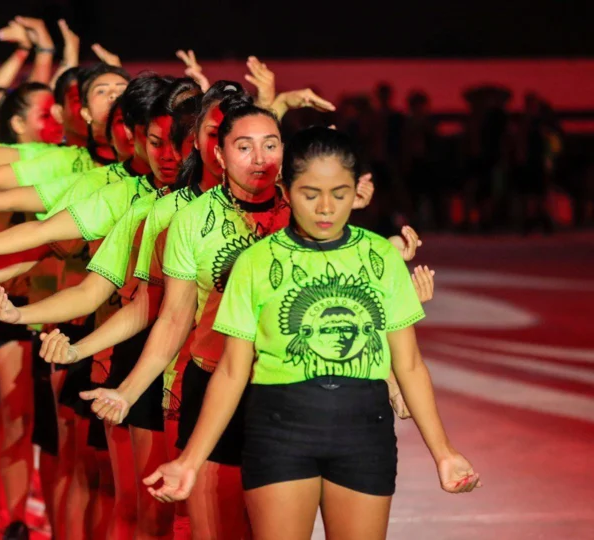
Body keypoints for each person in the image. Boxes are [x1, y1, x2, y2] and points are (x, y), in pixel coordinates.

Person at [146, 126, 478, 539]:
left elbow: (409, 365)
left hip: (364, 434)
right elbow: (232, 371)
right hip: (278, 433)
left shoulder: (382, 257)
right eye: (310, 194)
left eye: (339, 194)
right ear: (285, 190)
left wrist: (443, 453)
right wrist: (190, 461)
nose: (325, 208)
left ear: (357, 192)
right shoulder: (254, 263)